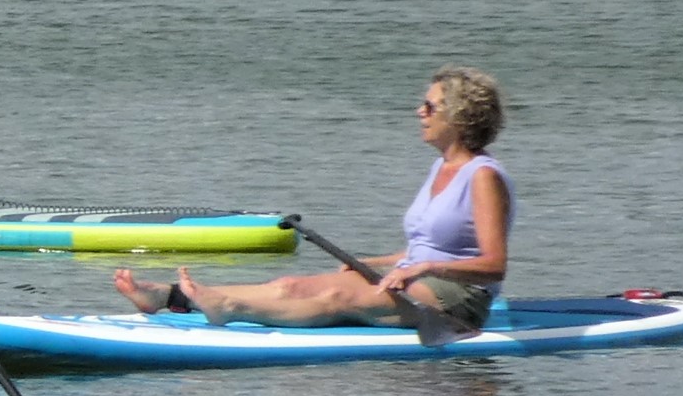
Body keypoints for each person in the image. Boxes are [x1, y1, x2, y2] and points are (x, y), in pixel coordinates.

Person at [119, 68, 511, 330]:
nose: (418, 111)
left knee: (335, 296)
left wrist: (421, 268)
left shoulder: (483, 177)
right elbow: (427, 246)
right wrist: (375, 262)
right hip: (415, 278)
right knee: (291, 284)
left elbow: (494, 266)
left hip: (457, 300)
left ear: (458, 116)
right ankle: (170, 296)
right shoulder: (440, 167)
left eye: (429, 106)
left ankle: (229, 308)